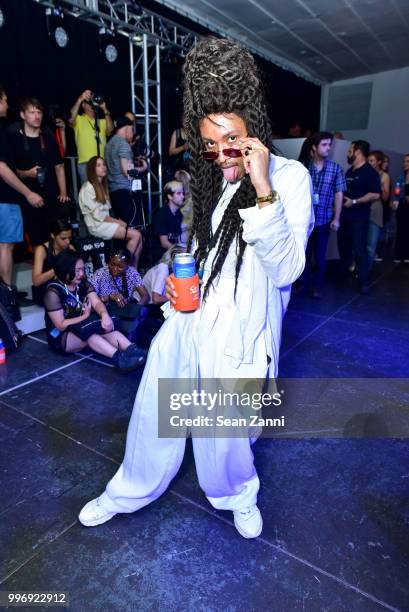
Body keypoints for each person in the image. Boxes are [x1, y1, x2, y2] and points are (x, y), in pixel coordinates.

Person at [79, 37, 313, 539]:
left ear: (253, 127)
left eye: (229, 140)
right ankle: (129, 490)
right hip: (193, 317)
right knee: (154, 408)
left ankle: (237, 495)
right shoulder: (220, 182)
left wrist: (264, 189)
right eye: (209, 143)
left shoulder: (290, 178)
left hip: (242, 333)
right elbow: (214, 255)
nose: (219, 154)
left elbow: (288, 269)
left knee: (224, 433)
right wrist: (182, 286)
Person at [43, 250, 146, 370]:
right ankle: (120, 360)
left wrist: (104, 315)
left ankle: (133, 349)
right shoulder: (53, 292)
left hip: (81, 326)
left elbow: (96, 301)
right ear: (65, 269)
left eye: (82, 269)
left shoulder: (81, 283)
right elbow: (60, 325)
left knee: (104, 326)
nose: (81, 274)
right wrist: (85, 316)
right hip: (62, 337)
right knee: (91, 333)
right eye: (77, 270)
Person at [8, 97, 69, 246]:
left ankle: (55, 266)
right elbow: (9, 170)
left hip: (50, 193)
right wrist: (27, 173)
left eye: (39, 112)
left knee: (56, 236)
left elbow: (59, 166)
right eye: (32, 112)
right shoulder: (14, 137)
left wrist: (63, 193)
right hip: (27, 195)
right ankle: (40, 267)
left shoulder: (48, 136)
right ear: (23, 115)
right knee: (37, 238)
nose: (37, 116)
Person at [0, 85, 43, 285]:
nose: (7, 105)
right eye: (5, 100)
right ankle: (7, 297)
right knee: (5, 246)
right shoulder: (3, 132)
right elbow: (2, 167)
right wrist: (28, 193)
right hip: (4, 198)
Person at [301, 132, 345, 298]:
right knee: (304, 255)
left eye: (329, 145)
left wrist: (336, 218)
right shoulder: (304, 167)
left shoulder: (335, 169)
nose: (328, 148)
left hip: (324, 220)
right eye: (324, 145)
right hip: (306, 219)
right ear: (314, 147)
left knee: (320, 256)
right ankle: (303, 285)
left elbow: (339, 194)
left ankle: (317, 287)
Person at [78, 156, 142, 267]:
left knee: (140, 237)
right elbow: (99, 215)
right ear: (92, 169)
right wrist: (118, 222)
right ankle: (121, 267)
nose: (103, 167)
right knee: (135, 235)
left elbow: (106, 213)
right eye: (98, 165)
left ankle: (133, 272)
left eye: (103, 164)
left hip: (105, 223)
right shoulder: (88, 187)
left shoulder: (102, 186)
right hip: (97, 225)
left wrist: (118, 221)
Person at [338, 140, 381, 294]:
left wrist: (355, 201)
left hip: (359, 218)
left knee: (359, 249)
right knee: (343, 246)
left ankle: (363, 281)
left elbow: (375, 194)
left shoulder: (370, 173)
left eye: (350, 150)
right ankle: (344, 275)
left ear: (357, 152)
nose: (348, 153)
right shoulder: (350, 171)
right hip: (345, 216)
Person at [105, 116, 143, 227]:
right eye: (132, 130)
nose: (132, 134)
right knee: (132, 228)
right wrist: (143, 168)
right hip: (125, 191)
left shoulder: (109, 144)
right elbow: (127, 172)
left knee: (122, 228)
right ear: (127, 128)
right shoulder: (123, 144)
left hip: (113, 191)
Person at [69, 90, 114, 184]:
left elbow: (110, 130)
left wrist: (104, 109)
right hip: (86, 163)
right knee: (89, 193)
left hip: (101, 163)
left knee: (102, 193)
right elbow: (71, 118)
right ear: (83, 105)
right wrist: (80, 99)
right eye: (88, 103)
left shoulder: (101, 121)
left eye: (92, 103)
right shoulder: (79, 119)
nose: (91, 106)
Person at [32, 219, 74, 305]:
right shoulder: (41, 250)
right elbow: (36, 281)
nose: (68, 241)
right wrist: (58, 268)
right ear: (52, 235)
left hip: (63, 287)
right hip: (45, 290)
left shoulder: (70, 247)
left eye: (69, 238)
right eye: (63, 238)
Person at [151, 180, 185, 263]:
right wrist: (182, 251)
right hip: (161, 258)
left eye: (183, 193)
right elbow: (164, 243)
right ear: (169, 196)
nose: (182, 196)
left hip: (172, 254)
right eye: (178, 193)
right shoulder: (162, 214)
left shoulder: (179, 214)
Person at [367, 151, 390, 266]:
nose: (369, 163)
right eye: (368, 160)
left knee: (371, 244)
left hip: (376, 210)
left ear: (379, 162)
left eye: (372, 161)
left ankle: (367, 270)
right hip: (363, 210)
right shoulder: (365, 173)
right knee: (359, 242)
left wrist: (380, 186)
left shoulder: (384, 176)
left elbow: (385, 197)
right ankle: (357, 267)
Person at [392, 154, 409, 264]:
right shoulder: (401, 176)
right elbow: (397, 192)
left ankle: (407, 255)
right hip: (402, 206)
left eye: (408, 161)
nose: (405, 163)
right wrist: (395, 199)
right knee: (401, 229)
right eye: (404, 161)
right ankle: (399, 254)